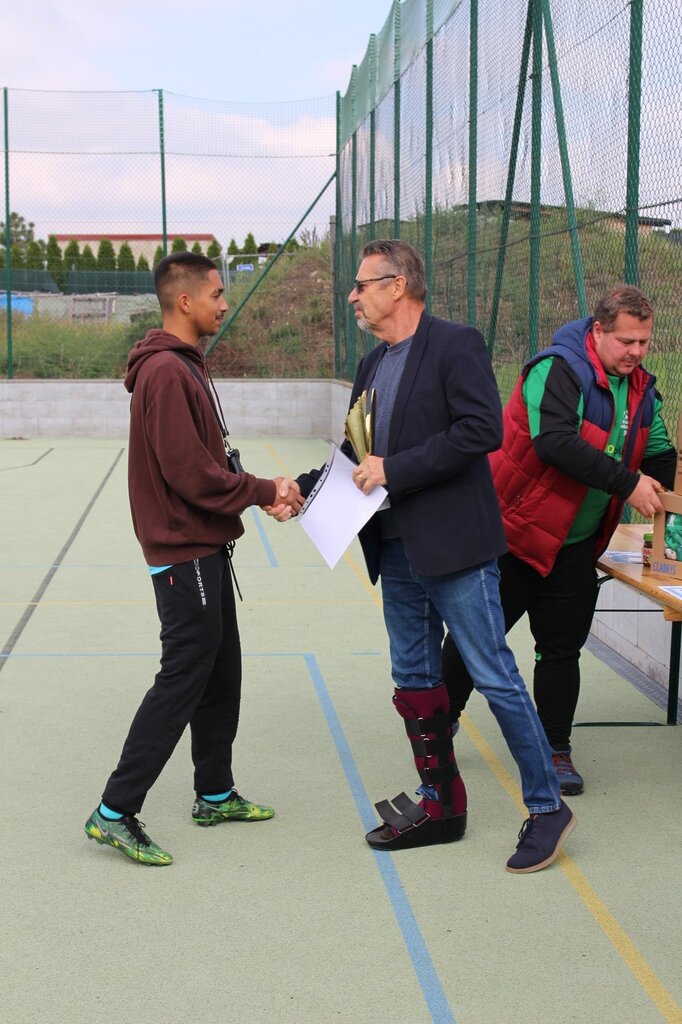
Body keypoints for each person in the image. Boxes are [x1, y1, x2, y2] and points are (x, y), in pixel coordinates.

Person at [275, 239, 575, 873]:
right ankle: (441, 802)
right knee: (413, 676)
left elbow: (481, 430)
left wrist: (396, 468)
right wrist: (300, 490)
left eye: (362, 285)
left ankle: (547, 808)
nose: (352, 297)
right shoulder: (371, 364)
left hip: (455, 545)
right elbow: (357, 456)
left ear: (398, 285)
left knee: (492, 673)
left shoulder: (455, 344)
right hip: (395, 547)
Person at [84, 252, 302, 866]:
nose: (224, 304)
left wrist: (259, 493)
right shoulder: (164, 372)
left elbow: (209, 464)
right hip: (183, 553)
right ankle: (114, 812)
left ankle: (214, 793)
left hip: (203, 546)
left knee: (221, 672)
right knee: (182, 676)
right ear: (185, 301)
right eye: (216, 294)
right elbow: (191, 475)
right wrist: (264, 490)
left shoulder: (184, 365)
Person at [442, 284, 676, 795]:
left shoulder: (641, 389)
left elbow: (659, 452)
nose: (636, 352)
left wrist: (670, 521)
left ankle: (556, 750)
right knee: (476, 639)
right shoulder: (556, 369)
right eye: (626, 341)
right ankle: (441, 720)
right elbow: (554, 443)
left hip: (575, 542)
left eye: (644, 342)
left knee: (561, 649)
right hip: (511, 533)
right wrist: (628, 484)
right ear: (598, 331)